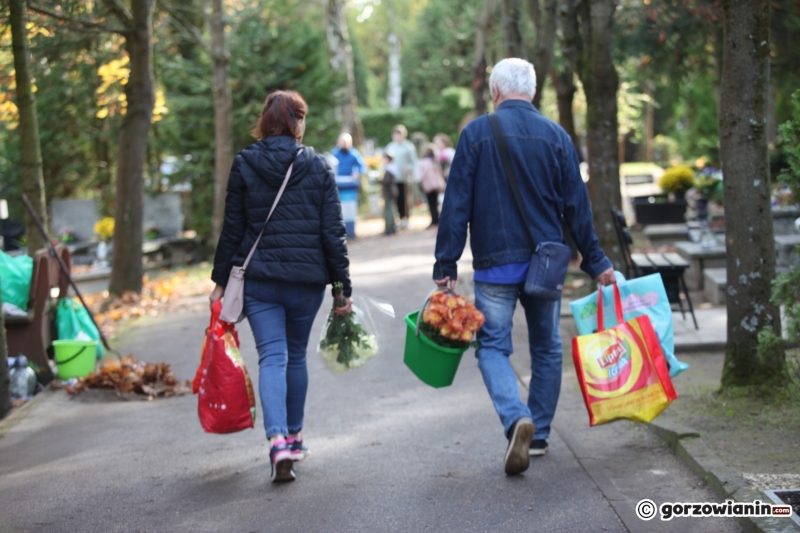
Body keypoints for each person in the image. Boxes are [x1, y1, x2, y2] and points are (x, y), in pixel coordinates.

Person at [432, 58, 615, 476]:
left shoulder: (475, 134)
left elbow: (456, 204)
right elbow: (577, 208)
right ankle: (541, 433)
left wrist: (446, 262)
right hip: (546, 264)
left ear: (495, 91)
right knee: (547, 348)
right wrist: (597, 261)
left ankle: (517, 419)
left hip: (495, 264)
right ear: (532, 92)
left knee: (492, 347)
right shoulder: (557, 136)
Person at [209, 90, 353, 483]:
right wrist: (342, 287)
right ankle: (295, 436)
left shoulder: (244, 162)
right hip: (306, 282)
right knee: (295, 356)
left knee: (271, 357)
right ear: (297, 123)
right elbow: (332, 234)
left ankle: (277, 444)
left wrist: (220, 282)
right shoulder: (319, 166)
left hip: (259, 281)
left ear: (265, 121)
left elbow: (233, 229)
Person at [385, 124, 418, 229]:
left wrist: (409, 167)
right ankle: (399, 218)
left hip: (404, 178)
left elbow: (413, 161)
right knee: (396, 199)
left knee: (405, 198)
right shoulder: (390, 146)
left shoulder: (408, 146)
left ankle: (406, 218)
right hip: (393, 178)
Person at [417, 144, 446, 229]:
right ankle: (436, 219)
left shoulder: (425, 161)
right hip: (436, 185)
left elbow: (422, 174)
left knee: (432, 204)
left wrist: (420, 182)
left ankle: (435, 220)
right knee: (435, 203)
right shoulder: (435, 161)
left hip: (429, 185)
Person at [381, 150, 399, 235]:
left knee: (389, 210)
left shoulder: (389, 169)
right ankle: (390, 227)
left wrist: (379, 180)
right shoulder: (391, 168)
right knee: (389, 209)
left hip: (389, 192)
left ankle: (391, 228)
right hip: (390, 192)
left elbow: (386, 181)